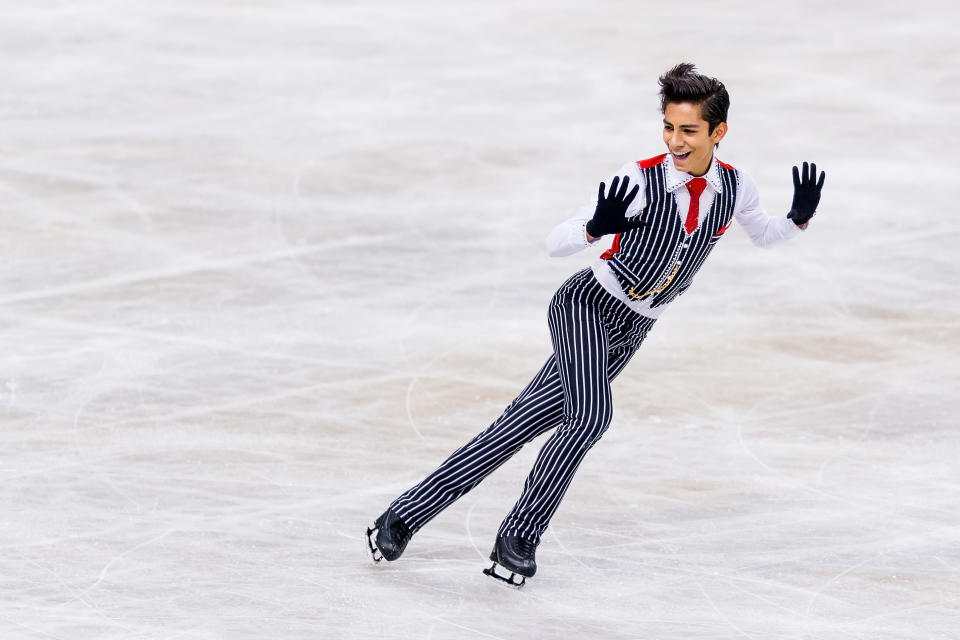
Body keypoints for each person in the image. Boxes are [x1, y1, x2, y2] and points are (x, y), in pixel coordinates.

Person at [365, 62, 825, 588]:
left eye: (689, 130)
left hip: (633, 328)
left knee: (515, 428)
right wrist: (593, 227)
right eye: (669, 128)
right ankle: (518, 537)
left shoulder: (736, 187)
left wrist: (797, 218)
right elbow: (554, 242)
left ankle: (400, 517)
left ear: (718, 133)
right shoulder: (638, 179)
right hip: (585, 306)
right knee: (591, 416)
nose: (676, 140)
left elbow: (764, 234)